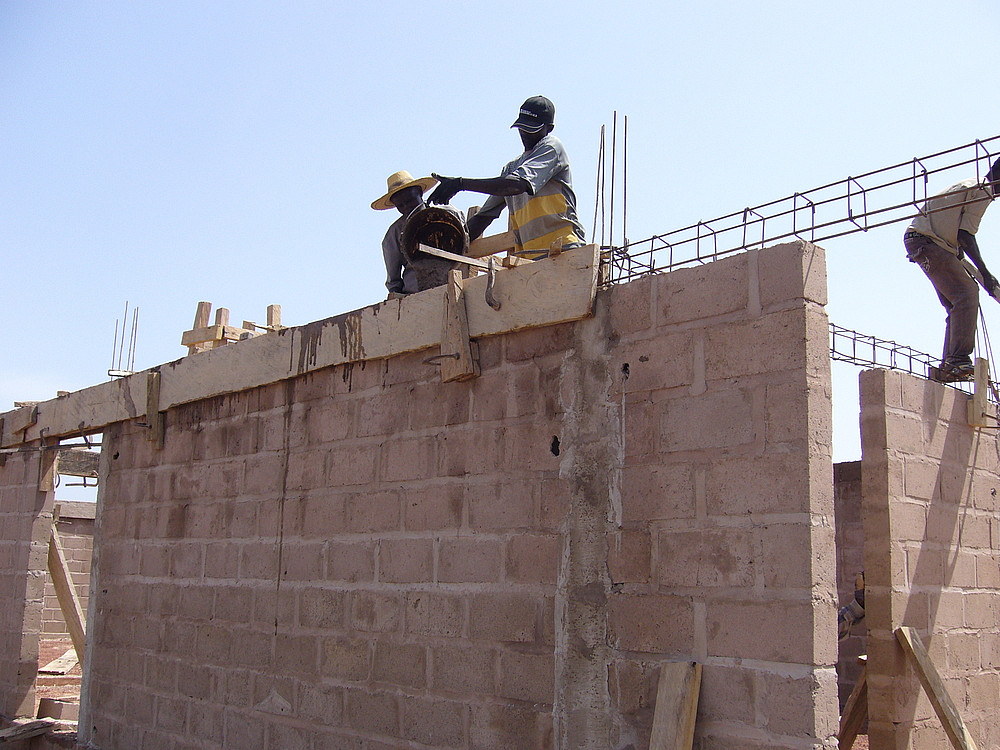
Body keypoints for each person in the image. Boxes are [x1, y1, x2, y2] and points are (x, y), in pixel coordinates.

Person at [428, 95, 585, 261]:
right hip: (531, 258)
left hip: (563, 249)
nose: (524, 133)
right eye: (522, 127)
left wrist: (460, 184)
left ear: (549, 128)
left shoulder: (552, 147)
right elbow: (484, 217)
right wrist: (448, 246)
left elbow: (516, 185)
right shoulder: (512, 169)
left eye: (532, 128)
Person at [904, 156, 1000, 381]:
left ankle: (950, 364)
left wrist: (962, 260)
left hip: (923, 240)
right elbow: (965, 235)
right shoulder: (984, 190)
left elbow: (955, 233)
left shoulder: (972, 184)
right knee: (967, 294)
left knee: (956, 304)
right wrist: (986, 274)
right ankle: (958, 361)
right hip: (929, 242)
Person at [372, 171, 439, 296]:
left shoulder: (447, 215)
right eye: (400, 205)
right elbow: (393, 281)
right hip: (416, 294)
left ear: (419, 193)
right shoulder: (394, 232)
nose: (406, 207)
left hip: (453, 281)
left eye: (410, 200)